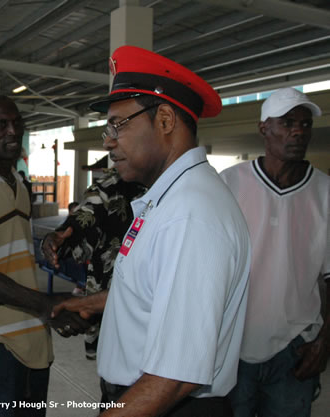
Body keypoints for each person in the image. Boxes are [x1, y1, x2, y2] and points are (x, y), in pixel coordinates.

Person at [52, 45, 251, 417]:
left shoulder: (190, 215)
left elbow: (174, 377)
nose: (108, 140)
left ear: (164, 120)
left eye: (118, 124)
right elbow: (155, 289)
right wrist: (91, 303)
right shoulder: (168, 199)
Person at [0, 95, 89, 416]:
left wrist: (44, 242)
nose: (12, 131)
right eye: (1, 125)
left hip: (34, 335)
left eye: (17, 123)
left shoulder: (19, 184)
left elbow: (10, 247)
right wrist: (50, 306)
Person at [221, 87, 329, 417]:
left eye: (305, 124)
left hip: (295, 349)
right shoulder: (229, 184)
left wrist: (325, 342)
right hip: (231, 345)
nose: (299, 130)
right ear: (264, 128)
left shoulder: (325, 192)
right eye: (287, 122)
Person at [42, 168, 145, 359]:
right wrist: (60, 238)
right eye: (109, 135)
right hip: (110, 318)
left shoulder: (184, 190)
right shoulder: (113, 184)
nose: (109, 143)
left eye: (120, 135)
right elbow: (85, 219)